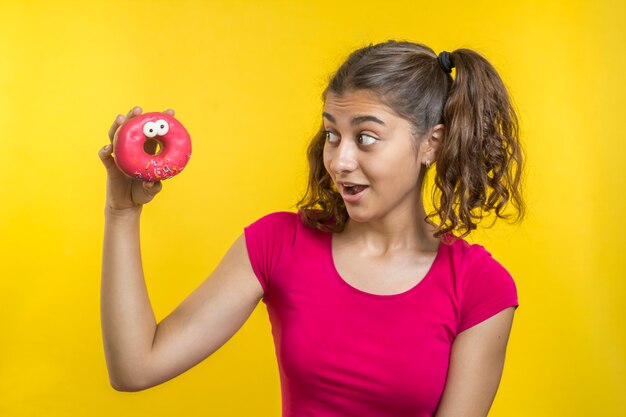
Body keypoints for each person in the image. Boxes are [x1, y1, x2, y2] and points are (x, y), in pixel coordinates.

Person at [99, 40, 524, 417]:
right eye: (332, 135)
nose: (340, 160)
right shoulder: (277, 244)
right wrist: (122, 212)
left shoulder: (479, 287)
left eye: (367, 138)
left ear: (431, 143)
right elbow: (137, 366)